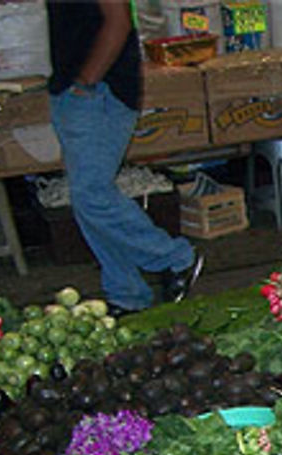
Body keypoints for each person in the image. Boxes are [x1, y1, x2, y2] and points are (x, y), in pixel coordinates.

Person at [45, 0, 203, 316]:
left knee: (91, 195)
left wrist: (87, 81)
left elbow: (118, 23)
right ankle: (126, 291)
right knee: (89, 195)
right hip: (76, 86)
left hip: (98, 91)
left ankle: (174, 258)